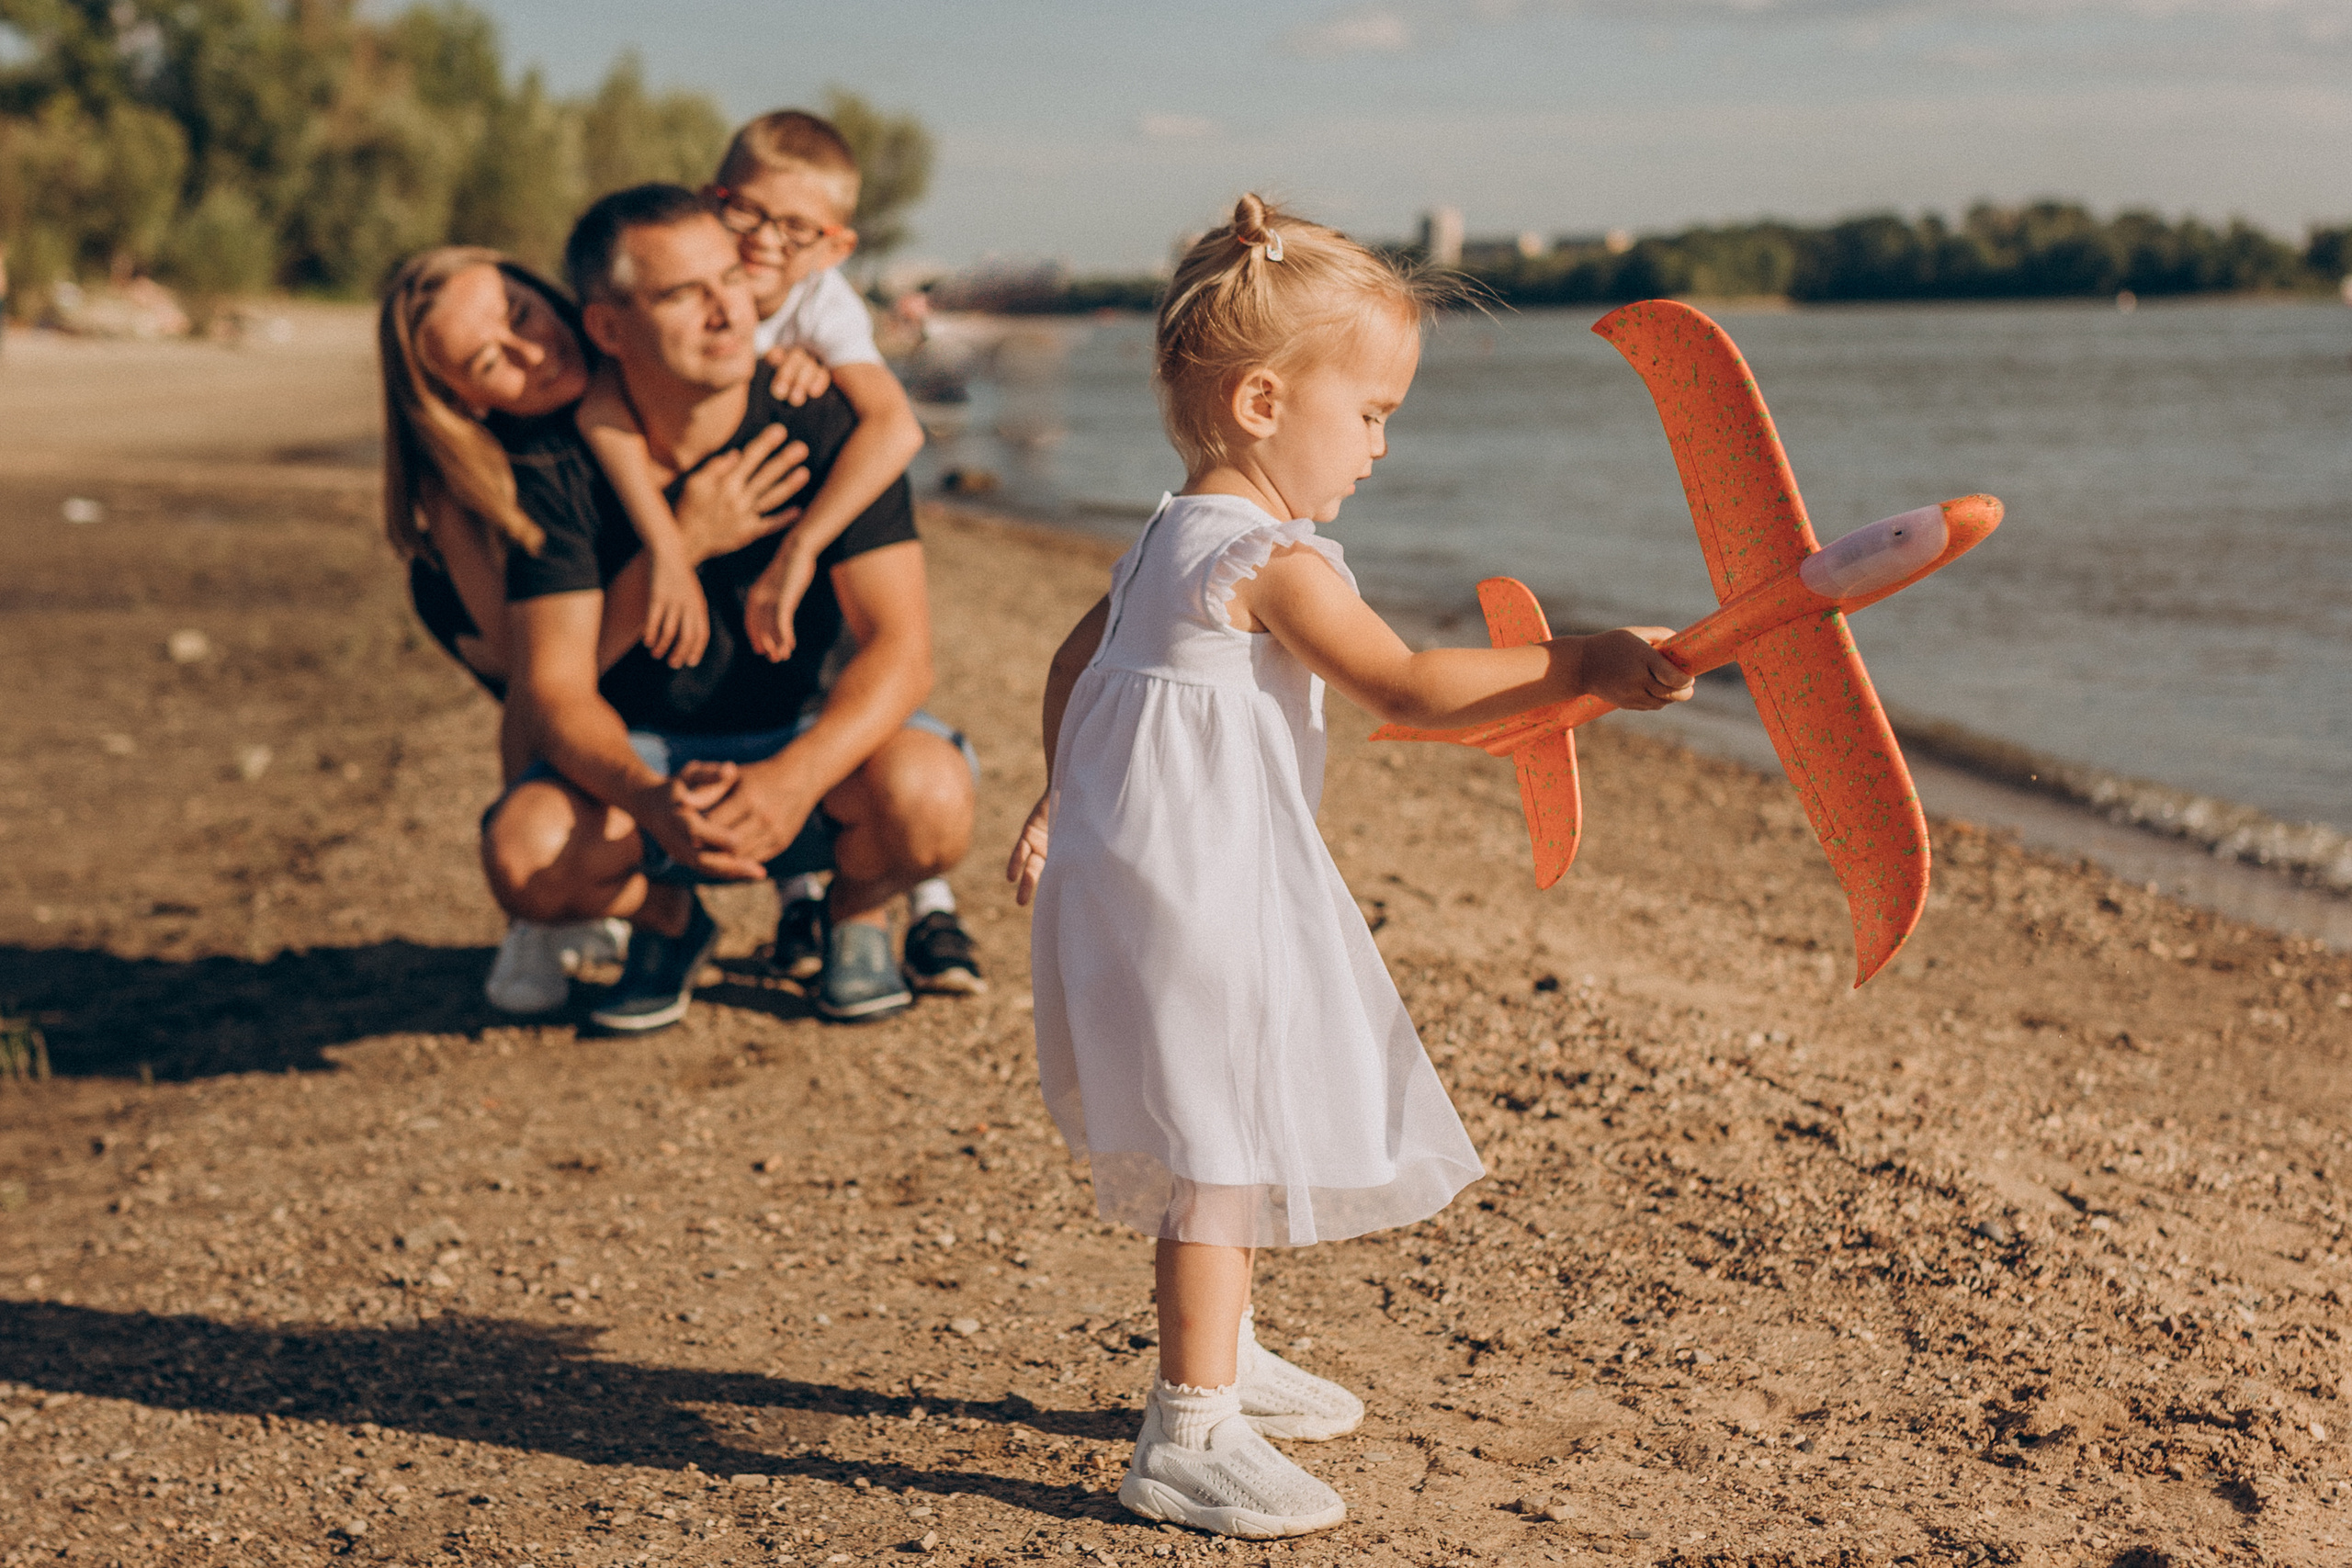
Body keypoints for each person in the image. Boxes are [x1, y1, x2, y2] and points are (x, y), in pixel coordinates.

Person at [1006, 195, 1694, 1538]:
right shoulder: (1264, 555)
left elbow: (1068, 664)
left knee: (1231, 1109)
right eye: (1372, 410)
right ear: (1264, 401)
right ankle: (1187, 1426)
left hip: (1154, 868)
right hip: (1194, 886)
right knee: (1217, 1139)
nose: (1381, 445)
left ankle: (1230, 1349)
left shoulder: (1167, 532)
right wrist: (1589, 663)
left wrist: (1053, 795)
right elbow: (1412, 682)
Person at [483, 183, 977, 1030]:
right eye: (682, 294)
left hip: (812, 749)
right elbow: (555, 690)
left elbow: (903, 649)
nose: (728, 312)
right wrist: (647, 797)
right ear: (606, 328)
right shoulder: (557, 465)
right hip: (648, 761)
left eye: (731, 280)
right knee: (524, 854)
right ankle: (671, 926)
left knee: (932, 797)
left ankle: (853, 910)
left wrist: (794, 780)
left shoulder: (825, 421)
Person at [378, 246, 814, 1014]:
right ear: (464, 401)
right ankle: (628, 916)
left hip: (626, 666)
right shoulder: (463, 492)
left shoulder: (628, 375)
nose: (536, 351)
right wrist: (684, 539)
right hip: (536, 660)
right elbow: (540, 683)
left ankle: (804, 889)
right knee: (542, 735)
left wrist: (803, 362)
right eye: (491, 361)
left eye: (522, 314)